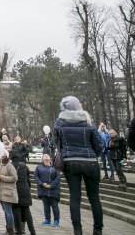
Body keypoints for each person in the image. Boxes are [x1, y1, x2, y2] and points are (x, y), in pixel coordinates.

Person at [53, 96, 103, 235]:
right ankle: (98, 230)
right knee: (94, 197)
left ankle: (77, 230)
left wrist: (67, 151)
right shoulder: (87, 120)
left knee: (75, 197)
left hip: (70, 162)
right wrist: (94, 154)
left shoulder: (59, 121)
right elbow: (98, 143)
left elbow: (57, 141)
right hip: (90, 162)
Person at [10, 151, 35, 235]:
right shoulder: (24, 165)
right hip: (25, 191)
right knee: (27, 213)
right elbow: (27, 177)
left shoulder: (10, 166)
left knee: (17, 214)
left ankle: (19, 231)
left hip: (16, 191)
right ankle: (33, 232)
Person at [34, 154, 60, 227]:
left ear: (50, 158)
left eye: (47, 156)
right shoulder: (39, 167)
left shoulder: (55, 167)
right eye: (44, 156)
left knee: (55, 206)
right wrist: (42, 184)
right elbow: (36, 177)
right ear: (42, 159)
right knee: (46, 206)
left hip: (54, 190)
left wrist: (51, 185)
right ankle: (47, 219)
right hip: (43, 189)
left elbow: (58, 178)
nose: (45, 157)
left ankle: (56, 220)